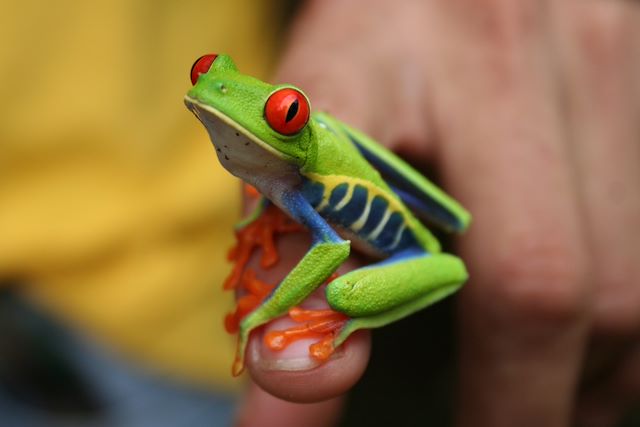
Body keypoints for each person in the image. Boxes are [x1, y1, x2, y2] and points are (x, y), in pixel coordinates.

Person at [235, 1, 640, 426]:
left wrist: (265, 312)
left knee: (339, 295)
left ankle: (346, 319)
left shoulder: (302, 186)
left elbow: (331, 248)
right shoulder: (280, 179)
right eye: (203, 71)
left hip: (406, 254)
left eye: (287, 114)